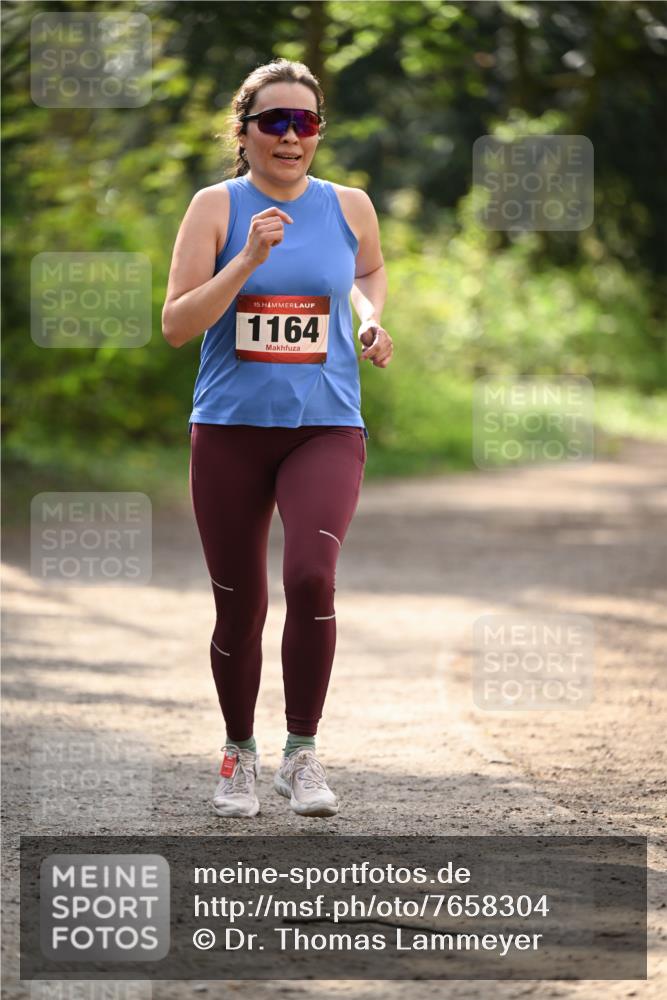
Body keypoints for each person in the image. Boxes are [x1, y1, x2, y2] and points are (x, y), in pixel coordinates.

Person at [162, 58, 393, 819]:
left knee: (311, 578)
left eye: (305, 123)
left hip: (325, 425)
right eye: (274, 122)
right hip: (229, 429)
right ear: (245, 132)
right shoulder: (216, 208)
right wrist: (248, 261)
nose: (291, 137)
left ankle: (302, 754)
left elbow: (366, 271)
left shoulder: (350, 205)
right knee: (239, 605)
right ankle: (238, 755)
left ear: (318, 132)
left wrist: (366, 318)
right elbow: (177, 325)